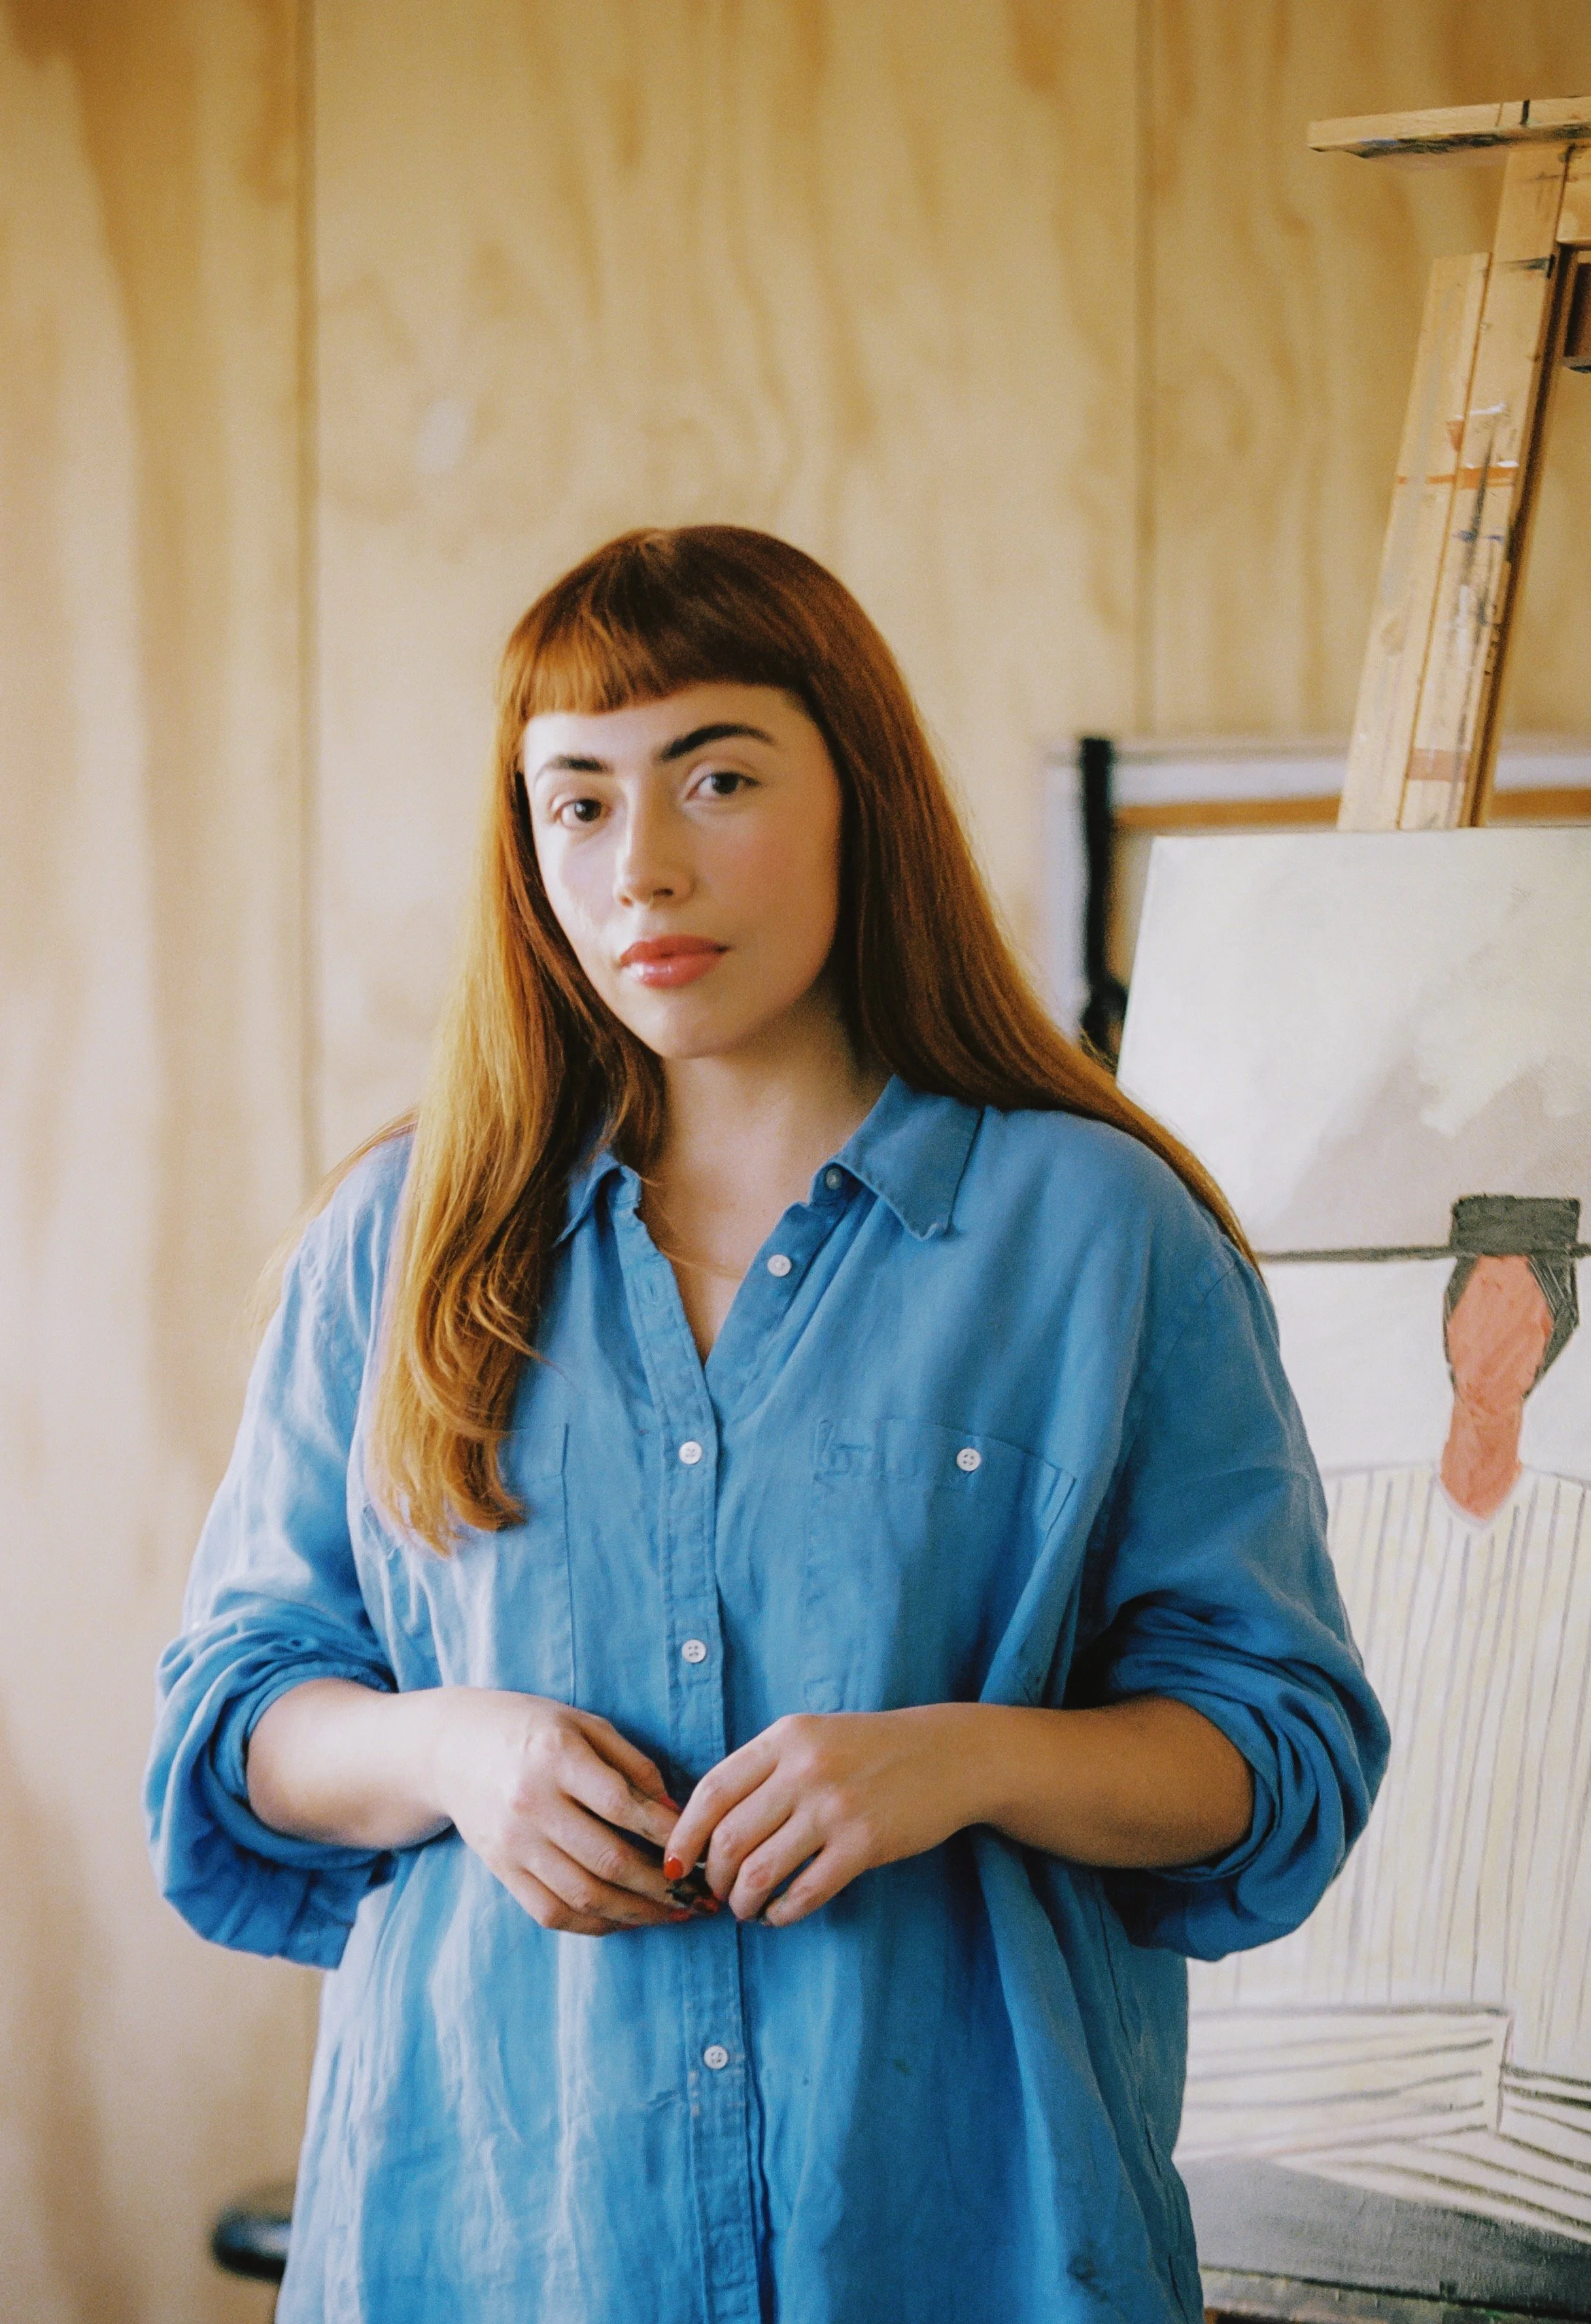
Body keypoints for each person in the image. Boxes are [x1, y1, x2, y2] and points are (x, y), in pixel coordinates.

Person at [145, 526, 1386, 2323]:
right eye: (577, 804)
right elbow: (231, 1728)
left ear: (857, 792)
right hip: (493, 2257)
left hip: (973, 2257)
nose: (642, 865)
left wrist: (963, 1761)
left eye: (717, 776)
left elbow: (1275, 1756)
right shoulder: (398, 1247)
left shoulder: (1102, 1236)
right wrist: (455, 1756)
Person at [1184, 1196, 1591, 2244]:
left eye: (1526, 1316)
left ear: (1555, 1341)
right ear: (1448, 1321)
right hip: (1287, 2082)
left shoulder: (1575, 1543)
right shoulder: (1340, 1523)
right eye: (1481, 1306)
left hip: (1528, 2110)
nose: (1496, 1341)